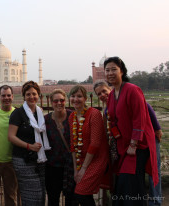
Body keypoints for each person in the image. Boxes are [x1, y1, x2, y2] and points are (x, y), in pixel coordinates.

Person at [94, 79, 163, 205]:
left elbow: (147, 108)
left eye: (104, 91)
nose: (102, 95)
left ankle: (156, 201)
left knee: (154, 170)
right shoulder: (107, 110)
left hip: (146, 139)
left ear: (110, 89)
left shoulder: (124, 97)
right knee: (137, 174)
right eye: (99, 94)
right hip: (130, 144)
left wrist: (157, 129)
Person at [104, 56, 158, 205]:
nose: (110, 73)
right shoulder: (111, 94)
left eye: (114, 69)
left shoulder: (132, 90)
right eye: (107, 70)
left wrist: (134, 144)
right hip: (122, 146)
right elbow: (113, 120)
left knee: (131, 183)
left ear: (122, 71)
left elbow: (139, 118)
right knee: (122, 185)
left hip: (136, 146)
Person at [8, 80, 50, 206]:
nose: (31, 97)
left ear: (39, 95)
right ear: (24, 96)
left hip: (39, 159)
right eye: (28, 94)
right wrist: (29, 146)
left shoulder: (39, 113)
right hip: (23, 159)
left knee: (41, 193)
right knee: (31, 195)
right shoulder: (18, 113)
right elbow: (11, 136)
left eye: (34, 94)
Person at [68, 85, 109, 206]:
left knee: (81, 193)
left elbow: (95, 144)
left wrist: (84, 169)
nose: (76, 99)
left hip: (97, 159)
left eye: (79, 96)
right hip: (82, 159)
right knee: (83, 195)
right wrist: (76, 170)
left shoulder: (94, 114)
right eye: (73, 96)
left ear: (85, 98)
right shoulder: (72, 117)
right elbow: (73, 145)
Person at [44, 89, 77, 206]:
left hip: (71, 166)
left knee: (71, 199)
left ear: (65, 101)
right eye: (56, 101)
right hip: (53, 166)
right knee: (53, 198)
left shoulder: (73, 117)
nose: (59, 103)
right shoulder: (46, 120)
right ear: (51, 102)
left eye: (62, 100)